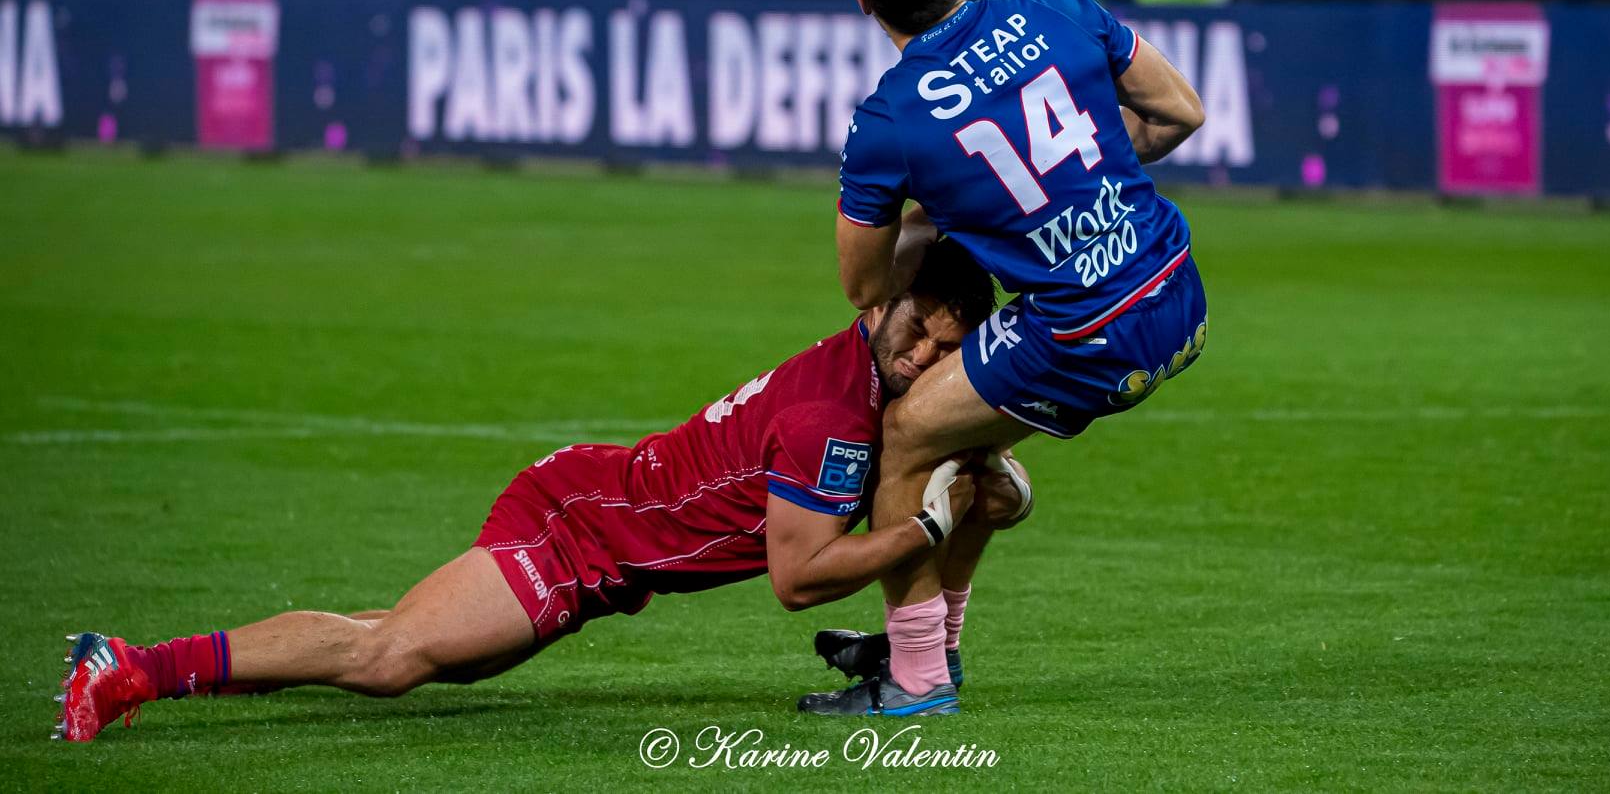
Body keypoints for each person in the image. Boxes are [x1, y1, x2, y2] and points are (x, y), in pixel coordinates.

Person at [54, 241, 1032, 740]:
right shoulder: (834, 415)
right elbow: (799, 578)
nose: (923, 357)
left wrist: (970, 493)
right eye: (918, 331)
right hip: (577, 534)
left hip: (595, 516)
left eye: (947, 349)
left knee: (412, 642)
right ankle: (127, 667)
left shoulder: (861, 382)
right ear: (877, 304)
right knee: (394, 654)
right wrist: (934, 523)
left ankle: (188, 670)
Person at [803, 0, 1207, 715]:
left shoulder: (889, 119)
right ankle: (934, 636)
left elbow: (862, 284)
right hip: (1176, 286)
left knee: (905, 436)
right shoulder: (1058, 10)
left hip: (1086, 331)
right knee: (955, 438)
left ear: (863, 3)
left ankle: (916, 680)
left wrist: (946, 220)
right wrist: (1079, 180)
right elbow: (1179, 112)